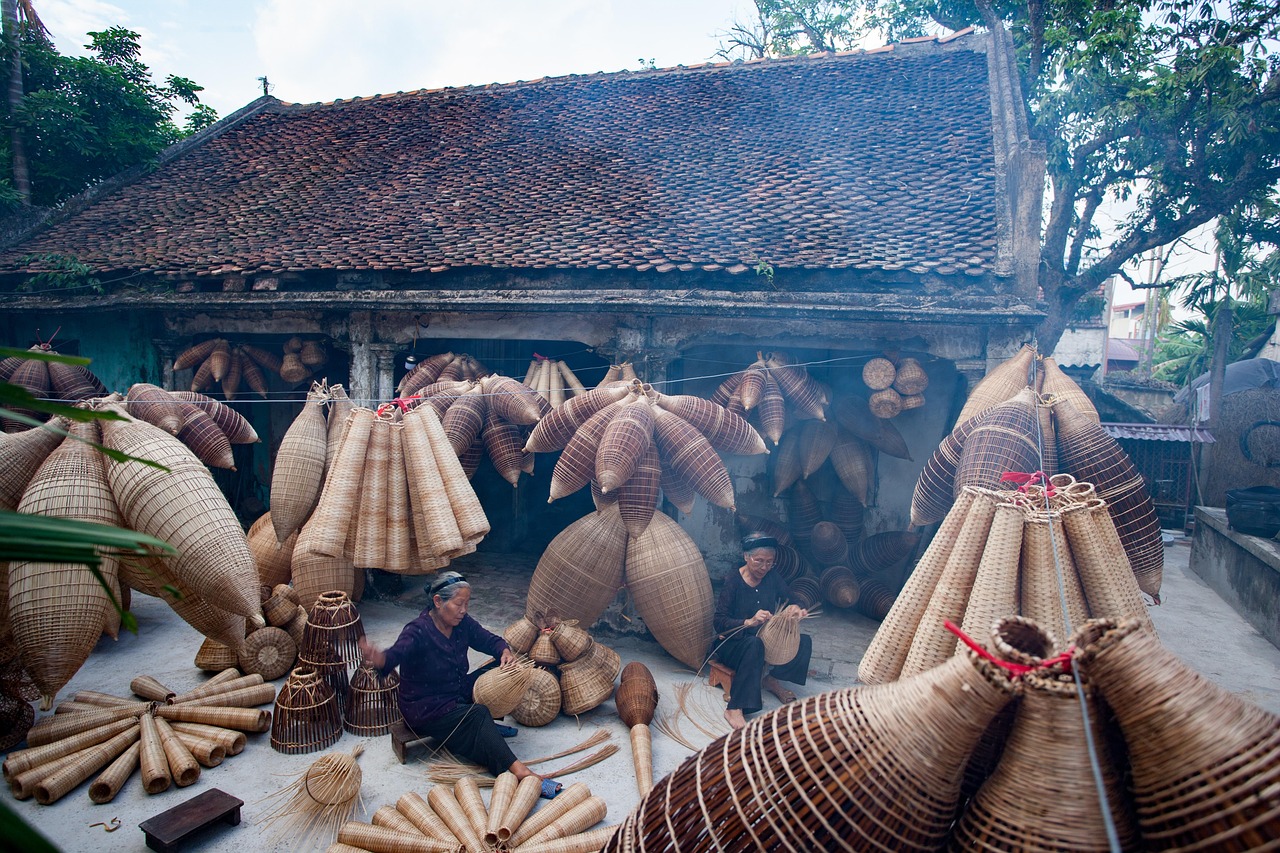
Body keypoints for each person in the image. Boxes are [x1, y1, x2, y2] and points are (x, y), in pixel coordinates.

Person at [358, 571, 561, 798]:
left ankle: (486, 733)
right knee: (478, 714)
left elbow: (488, 639)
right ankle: (519, 772)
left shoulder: (462, 624)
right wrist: (380, 659)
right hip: (427, 708)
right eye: (458, 604)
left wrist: (504, 652)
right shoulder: (417, 631)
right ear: (438, 601)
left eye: (467, 603)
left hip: (456, 691)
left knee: (501, 667)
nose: (464, 610)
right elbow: (395, 655)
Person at [713, 533, 812, 730]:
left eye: (769, 562)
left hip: (764, 640)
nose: (764, 567)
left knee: (804, 641)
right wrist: (748, 621)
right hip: (734, 644)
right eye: (759, 561)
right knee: (754, 645)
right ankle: (735, 708)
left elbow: (793, 598)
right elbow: (719, 621)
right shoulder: (733, 581)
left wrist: (796, 608)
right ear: (746, 557)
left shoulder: (772, 577)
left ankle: (771, 679)